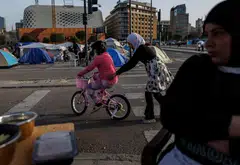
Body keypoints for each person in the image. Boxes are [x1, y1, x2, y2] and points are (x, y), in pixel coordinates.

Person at [158, 1, 240, 164]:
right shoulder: (197, 66)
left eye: (218, 33)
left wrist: (201, 126)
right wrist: (231, 125)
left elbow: (184, 118)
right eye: (207, 34)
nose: (208, 43)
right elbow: (170, 115)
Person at [109, 33, 173, 124]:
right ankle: (168, 111)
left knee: (149, 92)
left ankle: (151, 116)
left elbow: (131, 64)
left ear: (134, 41)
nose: (129, 46)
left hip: (156, 71)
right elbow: (132, 62)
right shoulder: (142, 48)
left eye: (130, 43)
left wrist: (117, 73)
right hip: (156, 70)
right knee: (154, 93)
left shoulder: (141, 49)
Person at [77, 40, 118, 107]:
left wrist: (80, 74)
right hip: (113, 78)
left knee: (89, 87)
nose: (94, 52)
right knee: (95, 76)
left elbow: (89, 68)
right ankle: (102, 93)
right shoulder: (107, 55)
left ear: (98, 50)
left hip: (107, 81)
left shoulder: (99, 58)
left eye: (95, 50)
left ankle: (98, 101)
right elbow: (105, 68)